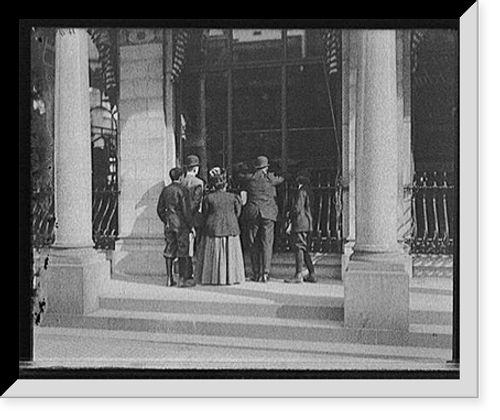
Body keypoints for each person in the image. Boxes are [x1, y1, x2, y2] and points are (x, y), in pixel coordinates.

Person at [238, 156, 285, 283]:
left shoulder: (250, 179)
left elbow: (240, 175)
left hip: (253, 213)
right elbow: (282, 178)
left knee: (253, 243)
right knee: (267, 243)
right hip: (268, 214)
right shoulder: (270, 179)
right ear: (266, 167)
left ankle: (256, 272)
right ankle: (265, 273)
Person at [195, 167, 246, 286]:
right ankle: (231, 277)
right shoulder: (234, 197)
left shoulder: (208, 198)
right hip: (231, 227)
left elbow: (205, 213)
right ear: (226, 184)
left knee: (212, 253)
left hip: (213, 227)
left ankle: (212, 277)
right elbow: (238, 212)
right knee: (231, 254)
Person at [156, 167, 195, 287]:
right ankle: (182, 280)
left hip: (169, 223)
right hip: (181, 224)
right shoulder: (183, 190)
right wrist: (191, 225)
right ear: (181, 177)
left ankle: (169, 278)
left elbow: (159, 209)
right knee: (183, 250)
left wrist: (166, 219)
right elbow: (186, 210)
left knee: (169, 249)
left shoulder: (165, 190)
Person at [285, 169, 316, 283]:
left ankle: (298, 275)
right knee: (305, 249)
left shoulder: (301, 191)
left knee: (299, 248)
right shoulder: (309, 191)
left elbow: (297, 208)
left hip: (300, 223)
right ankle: (312, 273)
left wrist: (289, 215)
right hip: (308, 223)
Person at [179, 154, 205, 282]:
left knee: (186, 247)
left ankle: (185, 273)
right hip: (195, 218)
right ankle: (197, 272)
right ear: (195, 169)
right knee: (197, 247)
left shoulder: (181, 182)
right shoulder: (199, 182)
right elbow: (197, 202)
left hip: (182, 218)